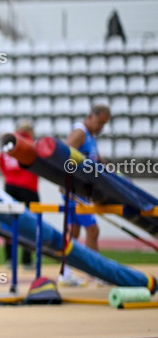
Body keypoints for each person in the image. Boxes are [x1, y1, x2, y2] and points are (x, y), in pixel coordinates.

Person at [62, 104, 111, 286]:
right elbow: (64, 156)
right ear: (90, 117)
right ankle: (98, 273)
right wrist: (63, 183)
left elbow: (96, 159)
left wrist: (111, 171)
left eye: (104, 125)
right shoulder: (80, 133)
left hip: (80, 190)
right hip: (74, 191)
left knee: (73, 232)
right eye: (99, 123)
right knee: (93, 230)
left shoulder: (89, 136)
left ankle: (64, 274)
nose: (101, 128)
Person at [0, 119, 39, 267]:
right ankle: (27, 260)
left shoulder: (6, 143)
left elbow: (2, 164)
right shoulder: (31, 143)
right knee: (31, 223)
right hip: (29, 187)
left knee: (9, 222)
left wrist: (10, 178)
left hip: (10, 186)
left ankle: (10, 258)